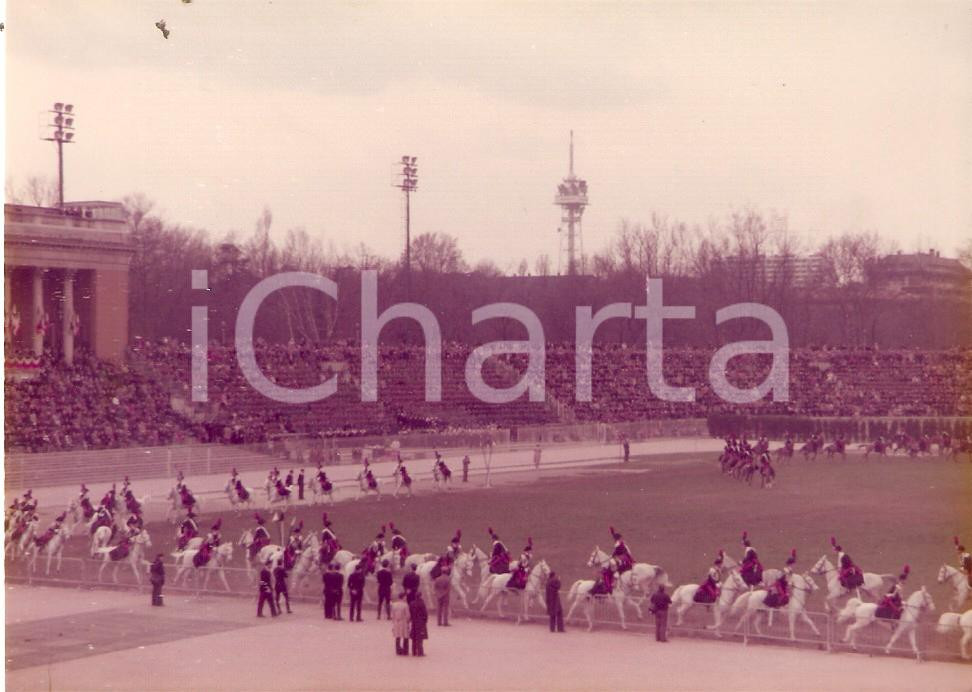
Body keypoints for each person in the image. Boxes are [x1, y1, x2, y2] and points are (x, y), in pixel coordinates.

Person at [408, 592, 429, 656]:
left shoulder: (411, 603)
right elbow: (425, 614)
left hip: (414, 622)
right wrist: (425, 621)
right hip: (420, 622)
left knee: (414, 637)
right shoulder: (422, 604)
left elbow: (410, 613)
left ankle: (414, 651)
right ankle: (420, 652)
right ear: (420, 596)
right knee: (420, 638)